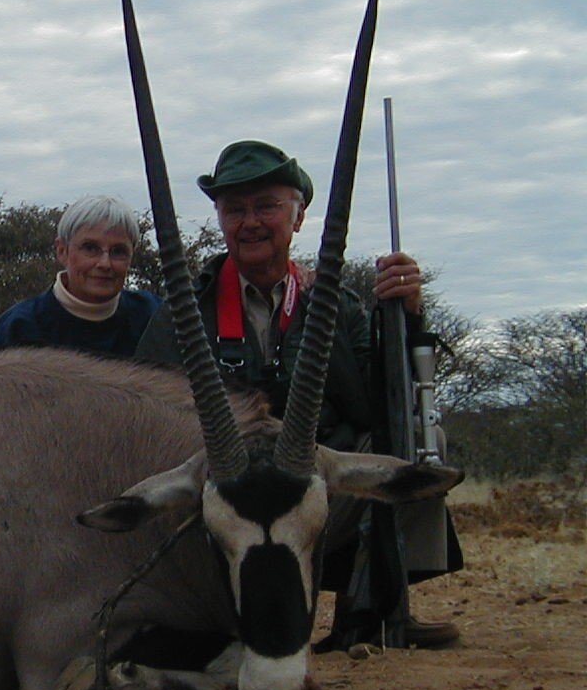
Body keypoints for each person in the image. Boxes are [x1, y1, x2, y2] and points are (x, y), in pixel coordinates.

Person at [134, 140, 461, 648]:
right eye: (235, 209)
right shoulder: (184, 309)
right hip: (222, 500)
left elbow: (384, 401)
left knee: (419, 437)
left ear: (299, 215)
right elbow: (146, 412)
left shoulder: (336, 305)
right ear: (220, 218)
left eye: (266, 206)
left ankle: (374, 609)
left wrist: (408, 315)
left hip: (311, 490)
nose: (251, 222)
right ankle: (206, 618)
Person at [0, 195, 161, 358]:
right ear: (62, 251)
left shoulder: (154, 317)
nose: (105, 264)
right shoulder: (19, 328)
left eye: (118, 251)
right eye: (90, 248)